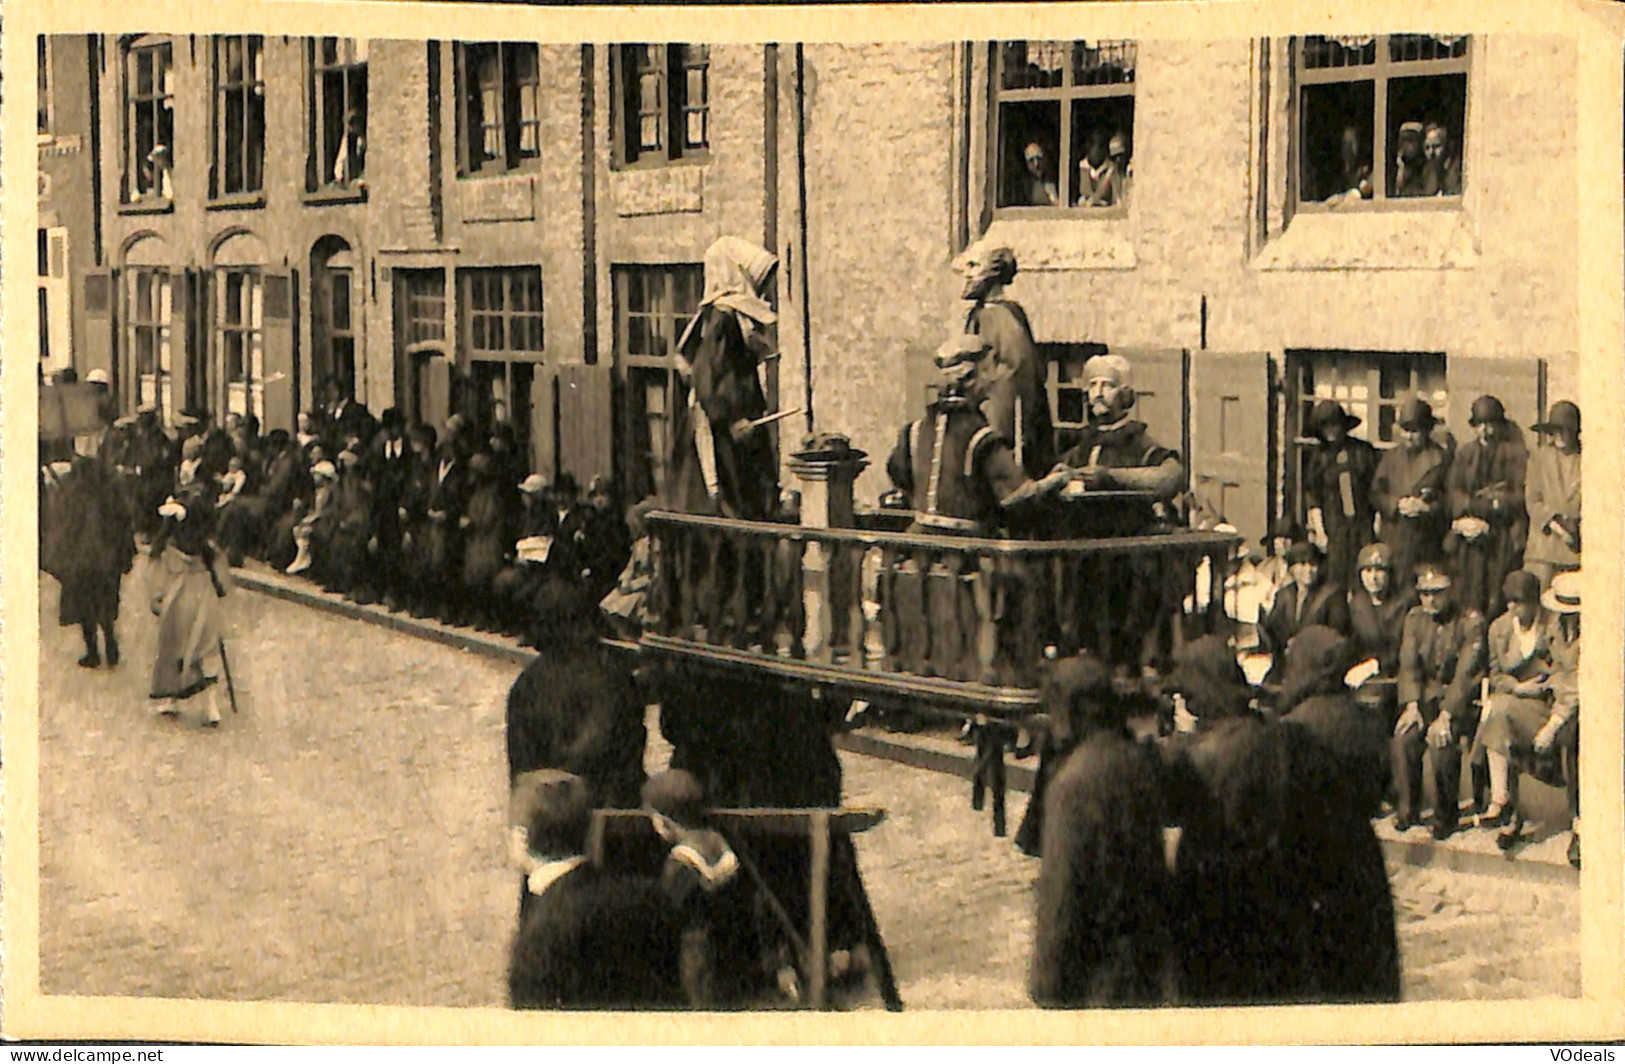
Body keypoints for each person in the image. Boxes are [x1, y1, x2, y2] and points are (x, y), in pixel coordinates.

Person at [1391, 563, 1486, 840]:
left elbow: (1466, 673)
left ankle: (1446, 814)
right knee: (1404, 737)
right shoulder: (1414, 618)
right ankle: (1409, 808)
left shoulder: (1470, 621)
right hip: (1426, 697)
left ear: (1450, 591)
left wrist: (1446, 715)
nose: (1431, 600)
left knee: (1440, 743)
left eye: (1438, 593)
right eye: (1425, 593)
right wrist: (1411, 706)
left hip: (1460, 701)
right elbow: (1408, 665)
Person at [954, 243, 1054, 480]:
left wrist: (991, 439)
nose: (967, 274)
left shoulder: (1001, 317)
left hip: (997, 434)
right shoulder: (978, 314)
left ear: (994, 272)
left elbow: (1011, 381)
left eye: (973, 266)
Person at [147, 473, 234, 726]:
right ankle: (209, 706)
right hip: (200, 594)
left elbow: (157, 576)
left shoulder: (168, 546)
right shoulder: (203, 547)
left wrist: (157, 598)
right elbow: (219, 576)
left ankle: (176, 699)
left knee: (175, 646)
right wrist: (219, 585)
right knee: (203, 647)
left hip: (178, 597)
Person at [1474, 570, 1557, 831]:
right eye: (1509, 601)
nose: (1513, 608)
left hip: (1546, 704)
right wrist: (1519, 688)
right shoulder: (1499, 628)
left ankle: (1501, 805)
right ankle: (1502, 803)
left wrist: (1541, 685)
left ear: (1535, 602)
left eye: (1519, 602)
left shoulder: (1551, 626)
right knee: (1498, 713)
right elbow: (1495, 674)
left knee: (1498, 716)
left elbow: (1564, 672)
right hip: (1513, 699)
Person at [45, 451, 137, 669]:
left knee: (85, 606)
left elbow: (64, 526)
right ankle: (110, 642)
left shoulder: (73, 492)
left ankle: (93, 652)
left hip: (82, 561)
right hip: (107, 560)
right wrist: (125, 554)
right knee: (105, 603)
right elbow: (124, 522)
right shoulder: (110, 491)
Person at [1446, 394, 1529, 621]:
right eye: (1480, 425)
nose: (1486, 431)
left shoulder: (1515, 454)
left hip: (1500, 535)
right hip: (1471, 536)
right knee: (1470, 593)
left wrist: (1494, 505)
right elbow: (1454, 491)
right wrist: (1466, 518)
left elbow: (1520, 496)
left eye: (1491, 424)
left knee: (1497, 595)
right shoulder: (1465, 454)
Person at [1370, 397, 1450, 590]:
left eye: (1414, 431)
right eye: (1405, 430)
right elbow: (1375, 493)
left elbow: (1449, 500)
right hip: (1394, 537)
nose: (1408, 436)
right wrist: (1395, 504)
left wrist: (1426, 507)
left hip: (1425, 541)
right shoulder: (1391, 458)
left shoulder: (1440, 459)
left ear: (1426, 431)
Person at [1302, 399, 1378, 595]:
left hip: (1362, 524)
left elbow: (1376, 489)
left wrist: (1377, 522)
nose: (1331, 431)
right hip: (1334, 525)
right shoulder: (1318, 458)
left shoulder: (1362, 451)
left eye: (1334, 424)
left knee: (1363, 574)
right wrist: (1319, 531)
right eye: (1325, 426)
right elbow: (1313, 497)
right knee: (1336, 580)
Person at [1344, 542, 1416, 729]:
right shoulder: (1355, 605)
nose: (1373, 578)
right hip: (1361, 682)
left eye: (1379, 570)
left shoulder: (1404, 604)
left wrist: (1375, 665)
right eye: (1367, 571)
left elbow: (1404, 647)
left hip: (1394, 681)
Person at [1261, 542, 1350, 690]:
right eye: (1302, 564)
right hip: (1287, 666)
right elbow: (1273, 631)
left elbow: (1337, 637)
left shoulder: (1332, 595)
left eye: (1313, 564)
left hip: (1318, 669)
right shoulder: (1284, 595)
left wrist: (1303, 645)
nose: (1308, 570)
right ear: (1292, 569)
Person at [1524, 400, 1580, 590]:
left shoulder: (1586, 459)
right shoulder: (1539, 458)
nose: (1560, 436)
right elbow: (1532, 501)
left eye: (1565, 430)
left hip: (1575, 550)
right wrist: (1556, 524)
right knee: (1540, 603)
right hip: (1544, 548)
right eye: (1555, 430)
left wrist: (1576, 529)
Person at [1075, 129, 1124, 208]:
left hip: (1103, 203)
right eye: (1096, 146)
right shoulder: (1084, 164)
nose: (1098, 151)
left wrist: (1104, 171)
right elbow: (1084, 191)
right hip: (1089, 202)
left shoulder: (1109, 166)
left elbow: (1115, 195)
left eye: (1101, 146)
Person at [1421, 121, 1462, 197]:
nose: (1431, 152)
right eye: (1427, 147)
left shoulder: (1457, 171)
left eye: (1436, 146)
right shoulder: (1423, 173)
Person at [1019, 141, 1059, 206]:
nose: (1036, 164)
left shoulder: (1052, 181)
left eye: (1039, 158)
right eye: (1031, 160)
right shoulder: (1022, 185)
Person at [1393, 121, 1427, 197]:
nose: (1406, 145)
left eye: (1410, 140)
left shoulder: (1428, 167)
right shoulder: (1395, 167)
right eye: (1403, 140)